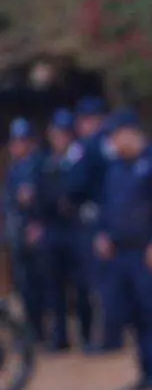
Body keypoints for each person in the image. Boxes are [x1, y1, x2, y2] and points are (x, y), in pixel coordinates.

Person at [94, 109, 152, 390]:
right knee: (132, 314)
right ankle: (145, 372)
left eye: (116, 136)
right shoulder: (115, 167)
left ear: (130, 133)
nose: (113, 142)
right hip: (122, 253)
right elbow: (107, 206)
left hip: (149, 252)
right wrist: (104, 234)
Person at [31, 108, 91, 352]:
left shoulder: (81, 159)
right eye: (56, 134)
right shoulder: (44, 162)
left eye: (64, 133)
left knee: (81, 286)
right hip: (52, 229)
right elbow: (40, 195)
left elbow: (81, 190)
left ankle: (87, 334)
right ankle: (60, 337)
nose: (59, 138)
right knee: (54, 287)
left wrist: (65, 199)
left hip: (76, 229)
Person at [68, 95, 112, 353]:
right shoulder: (96, 145)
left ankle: (104, 337)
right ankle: (101, 335)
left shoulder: (93, 146)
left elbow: (76, 185)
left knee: (98, 284)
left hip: (97, 219)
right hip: (91, 219)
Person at [4, 117, 46, 344]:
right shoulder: (14, 170)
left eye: (22, 140)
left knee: (42, 285)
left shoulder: (41, 165)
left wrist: (39, 221)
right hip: (18, 234)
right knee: (24, 286)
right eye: (15, 141)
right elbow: (9, 202)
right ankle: (32, 333)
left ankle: (45, 332)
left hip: (38, 233)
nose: (18, 146)